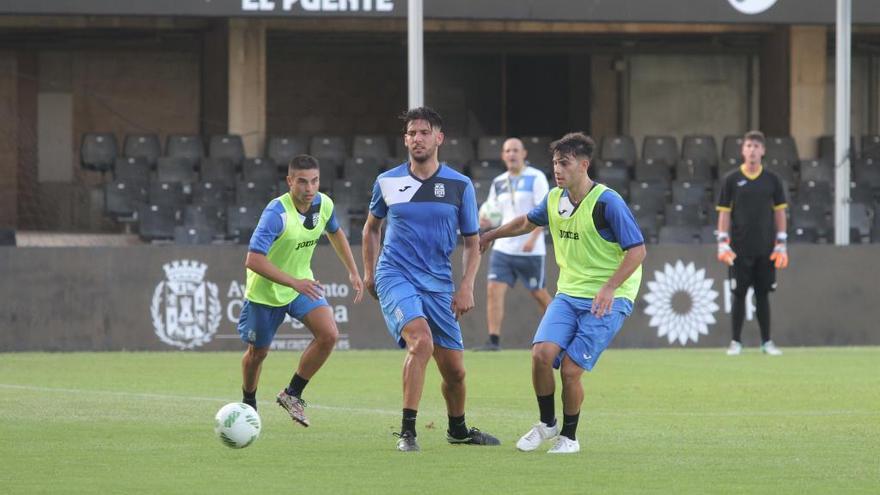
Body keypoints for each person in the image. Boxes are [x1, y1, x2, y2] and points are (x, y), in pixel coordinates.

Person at [479, 132, 645, 454]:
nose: (557, 169)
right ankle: (547, 424)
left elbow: (637, 252)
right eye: (555, 162)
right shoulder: (555, 198)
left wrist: (610, 288)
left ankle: (569, 437)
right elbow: (526, 222)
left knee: (570, 369)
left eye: (564, 163)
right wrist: (491, 234)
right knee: (541, 354)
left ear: (584, 165)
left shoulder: (608, 202)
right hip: (569, 294)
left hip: (610, 296)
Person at [362, 106, 501, 452]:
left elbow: (472, 242)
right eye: (411, 133)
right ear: (405, 139)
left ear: (439, 138)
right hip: (395, 274)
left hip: (439, 284)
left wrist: (467, 284)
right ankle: (408, 432)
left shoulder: (459, 185)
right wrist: (369, 272)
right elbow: (371, 229)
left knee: (455, 372)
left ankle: (458, 429)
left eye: (424, 132)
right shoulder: (388, 181)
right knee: (420, 342)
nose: (417, 138)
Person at [237, 154, 364, 427]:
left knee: (329, 335)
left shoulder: (323, 203)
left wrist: (353, 270)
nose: (309, 189)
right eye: (303, 182)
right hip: (266, 293)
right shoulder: (276, 214)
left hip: (301, 286)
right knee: (257, 354)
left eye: (315, 181)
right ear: (289, 181)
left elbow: (336, 232)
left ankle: (292, 393)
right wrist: (294, 282)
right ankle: (249, 402)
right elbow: (253, 260)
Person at [716, 130, 788, 356]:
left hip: (766, 249)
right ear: (742, 150)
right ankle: (735, 342)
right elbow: (724, 212)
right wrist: (722, 241)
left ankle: (767, 342)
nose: (752, 151)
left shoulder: (773, 180)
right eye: (748, 146)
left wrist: (781, 242)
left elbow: (780, 212)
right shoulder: (731, 180)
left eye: (757, 147)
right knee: (738, 295)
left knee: (763, 295)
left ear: (763, 151)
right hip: (739, 249)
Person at [476, 137, 552, 351]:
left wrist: (533, 238)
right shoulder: (498, 182)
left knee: (539, 294)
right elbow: (494, 212)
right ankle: (493, 340)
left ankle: (561, 333)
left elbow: (544, 211)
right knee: (493, 289)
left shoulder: (536, 178)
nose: (511, 154)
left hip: (530, 250)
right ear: (502, 155)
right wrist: (486, 222)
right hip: (503, 249)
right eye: (508, 150)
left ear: (524, 154)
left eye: (515, 150)